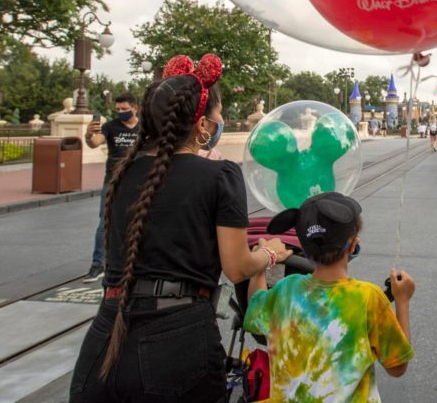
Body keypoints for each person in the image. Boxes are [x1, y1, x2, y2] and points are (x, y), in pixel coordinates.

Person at [69, 54, 292, 403]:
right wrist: (269, 253)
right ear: (202, 125)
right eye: (218, 117)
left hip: (104, 341)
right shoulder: (220, 175)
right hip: (177, 342)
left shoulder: (123, 172)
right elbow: (236, 267)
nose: (219, 123)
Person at [245, 192, 415, 402]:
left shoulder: (285, 290)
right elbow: (397, 367)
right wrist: (402, 301)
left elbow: (256, 309)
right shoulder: (368, 297)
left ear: (304, 250)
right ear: (354, 245)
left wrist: (263, 261)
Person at [82, 93, 141, 283]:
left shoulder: (145, 127)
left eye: (124, 109)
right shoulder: (110, 127)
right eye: (118, 110)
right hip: (113, 180)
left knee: (138, 220)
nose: (121, 112)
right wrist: (88, 134)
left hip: (138, 179)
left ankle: (135, 262)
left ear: (135, 108)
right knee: (105, 221)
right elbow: (94, 143)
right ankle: (98, 264)